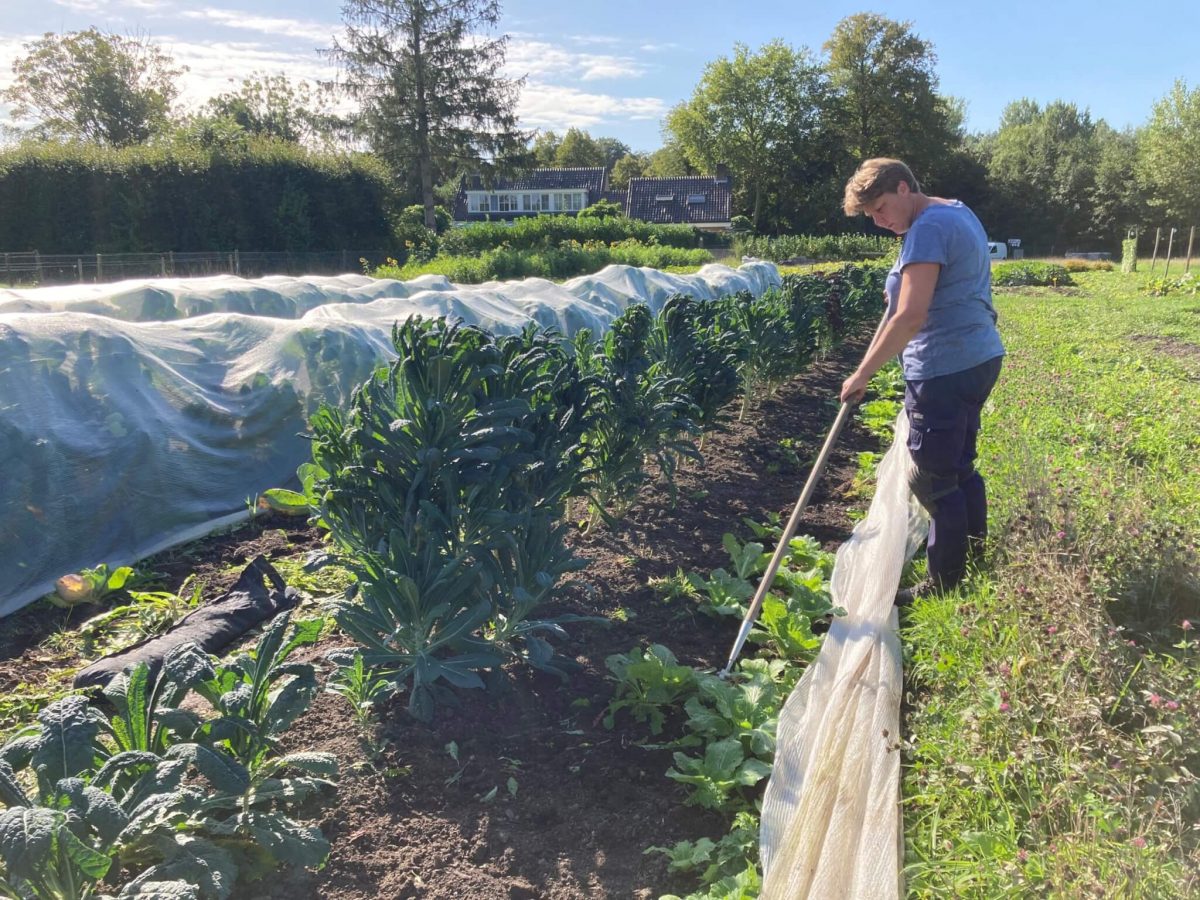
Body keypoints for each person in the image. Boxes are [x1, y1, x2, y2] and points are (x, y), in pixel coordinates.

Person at [838, 158, 1005, 600]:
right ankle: (973, 553)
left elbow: (911, 315)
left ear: (903, 186)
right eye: (871, 215)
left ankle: (945, 583)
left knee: (932, 478)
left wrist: (862, 375)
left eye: (880, 207)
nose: (878, 220)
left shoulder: (927, 228)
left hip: (944, 365)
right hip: (978, 356)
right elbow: (902, 305)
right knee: (958, 464)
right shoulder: (956, 211)